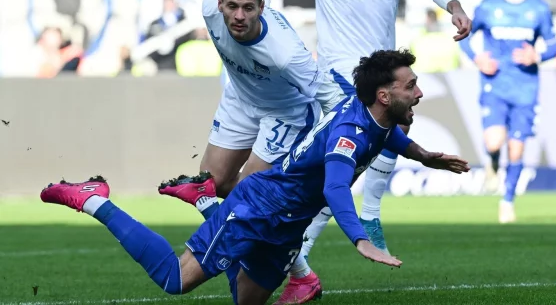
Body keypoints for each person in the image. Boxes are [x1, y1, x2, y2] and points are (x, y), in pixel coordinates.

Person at [40, 49, 471, 304]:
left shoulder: (371, 114)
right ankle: (94, 199)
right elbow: (335, 186)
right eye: (411, 86)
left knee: (246, 302)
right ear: (384, 95)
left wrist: (423, 156)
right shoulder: (348, 135)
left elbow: (387, 135)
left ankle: (205, 200)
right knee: (175, 279)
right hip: (258, 206)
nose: (419, 92)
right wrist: (360, 239)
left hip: (287, 225)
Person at [254, 0, 472, 302]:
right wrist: (264, 31)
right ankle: (351, 226)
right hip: (338, 71)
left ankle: (306, 257)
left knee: (355, 158)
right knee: (353, 157)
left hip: (383, 69)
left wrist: (453, 6)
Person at [157, 0, 346, 223]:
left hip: (285, 112)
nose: (239, 16)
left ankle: (278, 242)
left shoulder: (285, 53)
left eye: (248, 8)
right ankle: (277, 215)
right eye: (232, 7)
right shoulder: (209, 8)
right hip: (241, 98)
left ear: (262, 7)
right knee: (212, 185)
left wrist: (352, 143)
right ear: (220, 3)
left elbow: (331, 98)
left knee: (248, 194)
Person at [459, 0, 556, 224]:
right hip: (495, 84)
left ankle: (508, 201)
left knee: (516, 148)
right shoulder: (489, 6)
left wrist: (536, 55)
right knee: (494, 141)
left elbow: (554, 47)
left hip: (525, 87)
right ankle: (492, 161)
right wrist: (477, 58)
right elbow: (464, 36)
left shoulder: (538, 9)